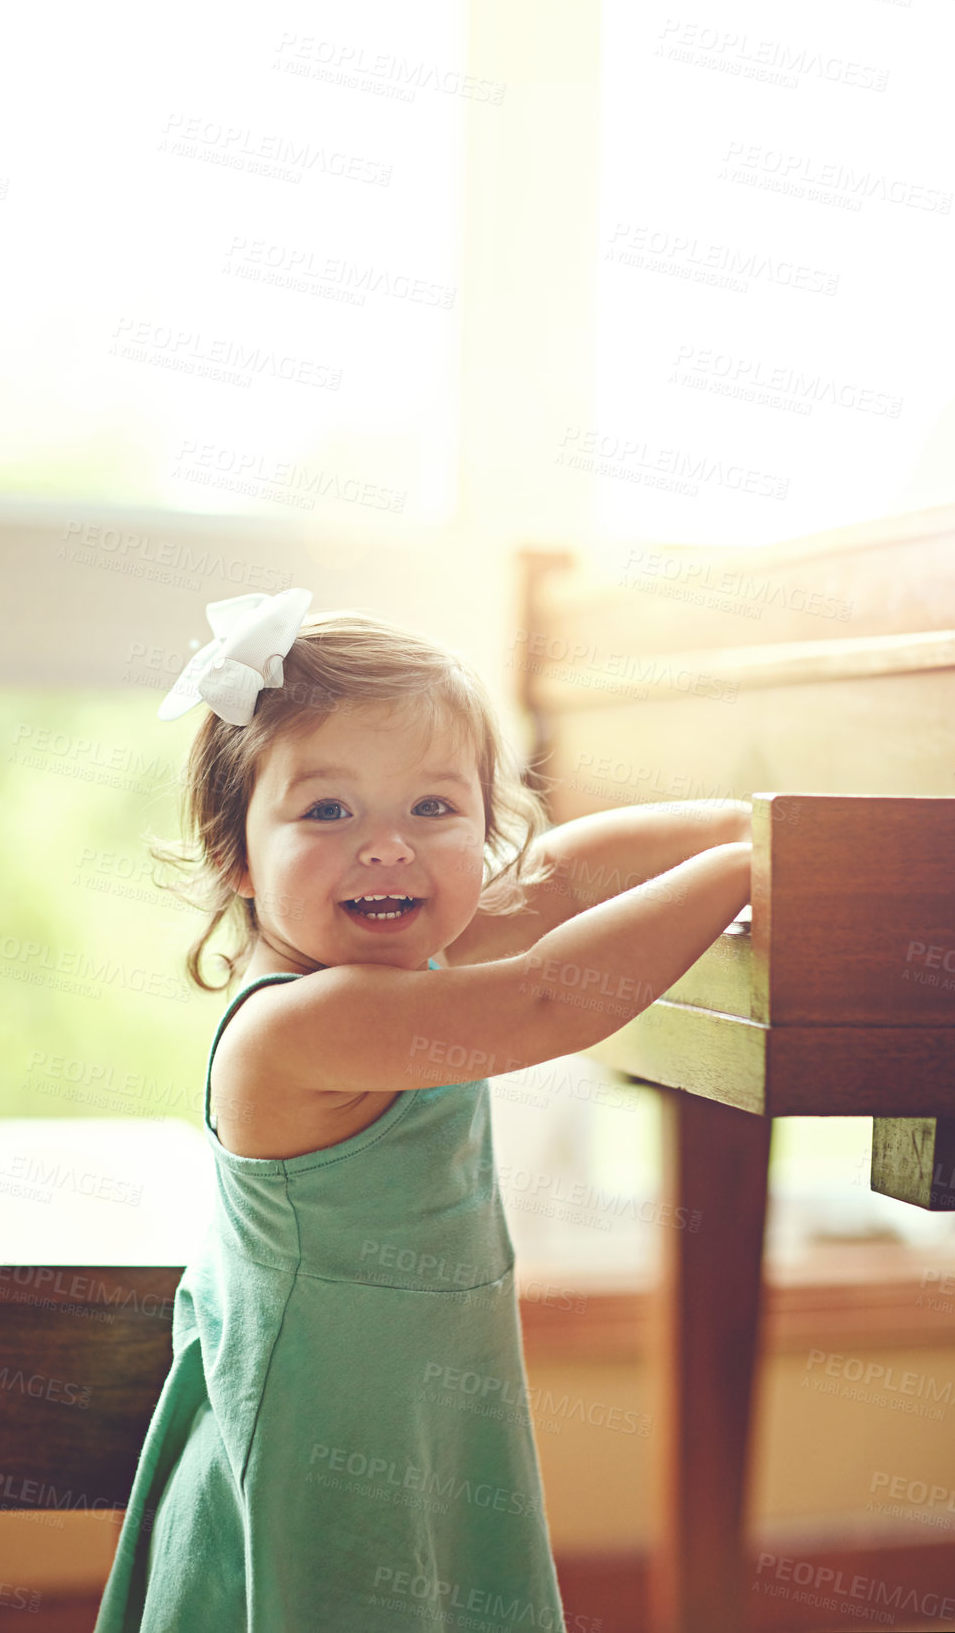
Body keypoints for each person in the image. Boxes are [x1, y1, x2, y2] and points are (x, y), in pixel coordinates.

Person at [93, 587, 751, 1632]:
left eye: (433, 808)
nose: (388, 847)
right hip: (325, 1422)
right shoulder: (303, 1024)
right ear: (235, 853)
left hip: (407, 1396)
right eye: (327, 810)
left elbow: (559, 881)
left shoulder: (391, 958)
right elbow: (545, 995)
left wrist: (755, 822)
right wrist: (748, 869)